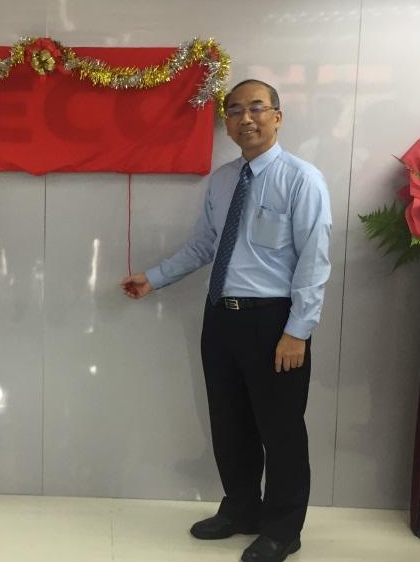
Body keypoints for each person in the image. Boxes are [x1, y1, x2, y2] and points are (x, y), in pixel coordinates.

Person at [121, 80, 331, 562]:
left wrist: (298, 331)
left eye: (257, 108)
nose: (245, 118)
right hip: (221, 319)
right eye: (234, 110)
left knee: (280, 430)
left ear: (278, 116)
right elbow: (204, 245)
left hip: (274, 322)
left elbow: (314, 263)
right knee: (230, 423)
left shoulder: (303, 179)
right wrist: (154, 278)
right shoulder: (221, 180)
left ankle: (283, 528)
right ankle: (241, 509)